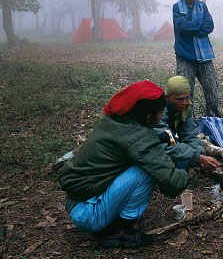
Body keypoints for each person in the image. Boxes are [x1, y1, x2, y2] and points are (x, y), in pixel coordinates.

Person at [58, 81, 190, 249]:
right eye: (160, 113)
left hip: (75, 202)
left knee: (140, 166)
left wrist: (157, 138)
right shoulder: (140, 138)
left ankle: (110, 220)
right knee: (144, 172)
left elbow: (127, 144)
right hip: (87, 214)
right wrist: (184, 165)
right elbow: (173, 185)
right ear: (148, 117)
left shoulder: (112, 122)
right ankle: (118, 231)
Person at [173, 0, 220, 117]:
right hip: (185, 56)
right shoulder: (177, 7)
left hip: (205, 56)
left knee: (212, 89)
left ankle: (214, 120)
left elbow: (210, 26)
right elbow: (181, 27)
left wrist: (192, 26)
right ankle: (188, 123)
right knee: (185, 92)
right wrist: (199, 24)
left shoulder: (202, 6)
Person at [155, 75, 220, 171]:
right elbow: (162, 142)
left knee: (184, 160)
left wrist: (200, 155)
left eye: (187, 98)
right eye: (179, 99)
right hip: (152, 142)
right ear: (167, 97)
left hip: (169, 139)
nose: (184, 102)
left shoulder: (186, 106)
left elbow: (189, 135)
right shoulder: (158, 109)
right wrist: (197, 158)